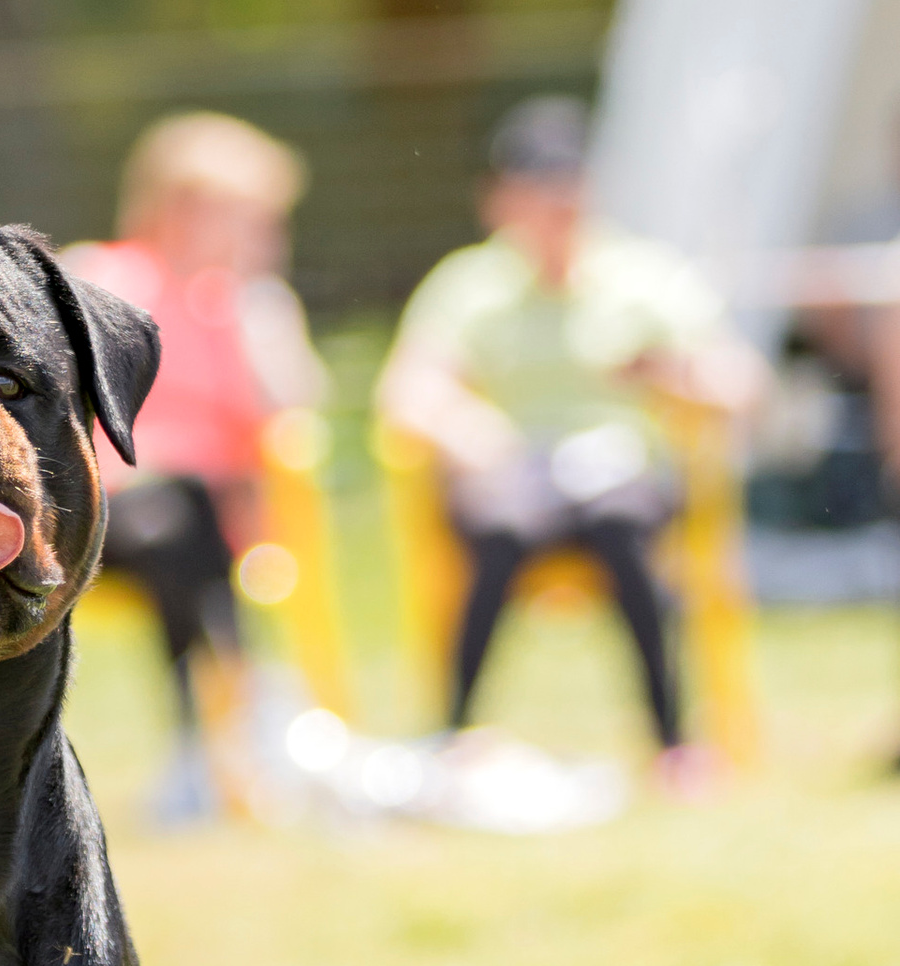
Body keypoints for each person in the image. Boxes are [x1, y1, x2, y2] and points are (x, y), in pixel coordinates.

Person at [376, 95, 761, 780]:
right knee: (498, 530)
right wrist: (463, 426)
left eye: (570, 188)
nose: (559, 208)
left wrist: (668, 373)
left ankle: (672, 741)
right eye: (540, 190)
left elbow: (741, 385)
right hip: (514, 478)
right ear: (501, 199)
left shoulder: (645, 276)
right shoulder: (471, 285)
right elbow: (408, 390)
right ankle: (458, 732)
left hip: (621, 476)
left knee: (624, 525)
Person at [66, 114, 324, 821]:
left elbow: (294, 408)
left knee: (188, 520)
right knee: (175, 507)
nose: (260, 233)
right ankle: (222, 738)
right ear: (182, 205)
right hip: (107, 512)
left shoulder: (241, 303)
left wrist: (258, 304)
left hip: (203, 526)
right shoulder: (101, 277)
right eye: (247, 216)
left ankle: (210, 748)